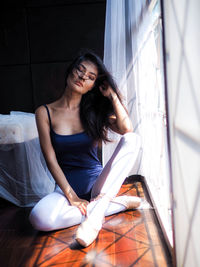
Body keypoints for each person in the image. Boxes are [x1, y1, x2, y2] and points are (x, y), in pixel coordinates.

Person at [29, 49, 142, 247]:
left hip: (99, 184)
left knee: (132, 139)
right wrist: (72, 197)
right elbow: (50, 159)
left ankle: (96, 215)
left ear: (93, 86)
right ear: (71, 71)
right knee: (39, 219)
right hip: (66, 190)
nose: (83, 77)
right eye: (80, 70)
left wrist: (113, 95)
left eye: (91, 77)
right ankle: (112, 205)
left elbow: (127, 129)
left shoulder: (94, 112)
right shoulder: (44, 112)